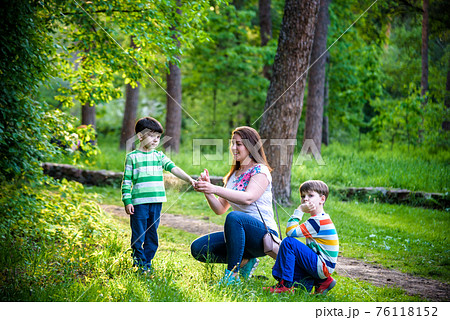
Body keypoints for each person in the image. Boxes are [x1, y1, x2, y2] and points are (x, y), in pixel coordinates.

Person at [191, 126, 278, 285]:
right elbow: (220, 209)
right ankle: (245, 260)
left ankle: (232, 277)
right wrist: (207, 189)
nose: (233, 148)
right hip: (240, 235)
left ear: (251, 146)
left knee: (234, 217)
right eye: (232, 143)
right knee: (198, 248)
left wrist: (215, 188)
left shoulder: (260, 171)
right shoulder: (233, 175)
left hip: (263, 234)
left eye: (238, 144)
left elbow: (248, 198)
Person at [121, 116, 196, 272]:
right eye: (151, 136)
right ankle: (140, 264)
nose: (156, 140)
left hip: (156, 202)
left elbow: (174, 168)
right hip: (139, 203)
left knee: (152, 235)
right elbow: (126, 181)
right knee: (138, 235)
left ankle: (147, 264)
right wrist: (127, 201)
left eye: (158, 137)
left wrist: (189, 179)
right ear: (140, 136)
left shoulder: (159, 156)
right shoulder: (132, 157)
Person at [263, 180, 339, 294]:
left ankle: (286, 286)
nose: (305, 199)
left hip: (322, 266)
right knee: (288, 257)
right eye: (303, 196)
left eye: (310, 195)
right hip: (323, 267)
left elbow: (290, 232)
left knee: (289, 243)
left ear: (322, 199)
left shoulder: (318, 221)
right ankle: (321, 282)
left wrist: (299, 210)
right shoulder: (320, 218)